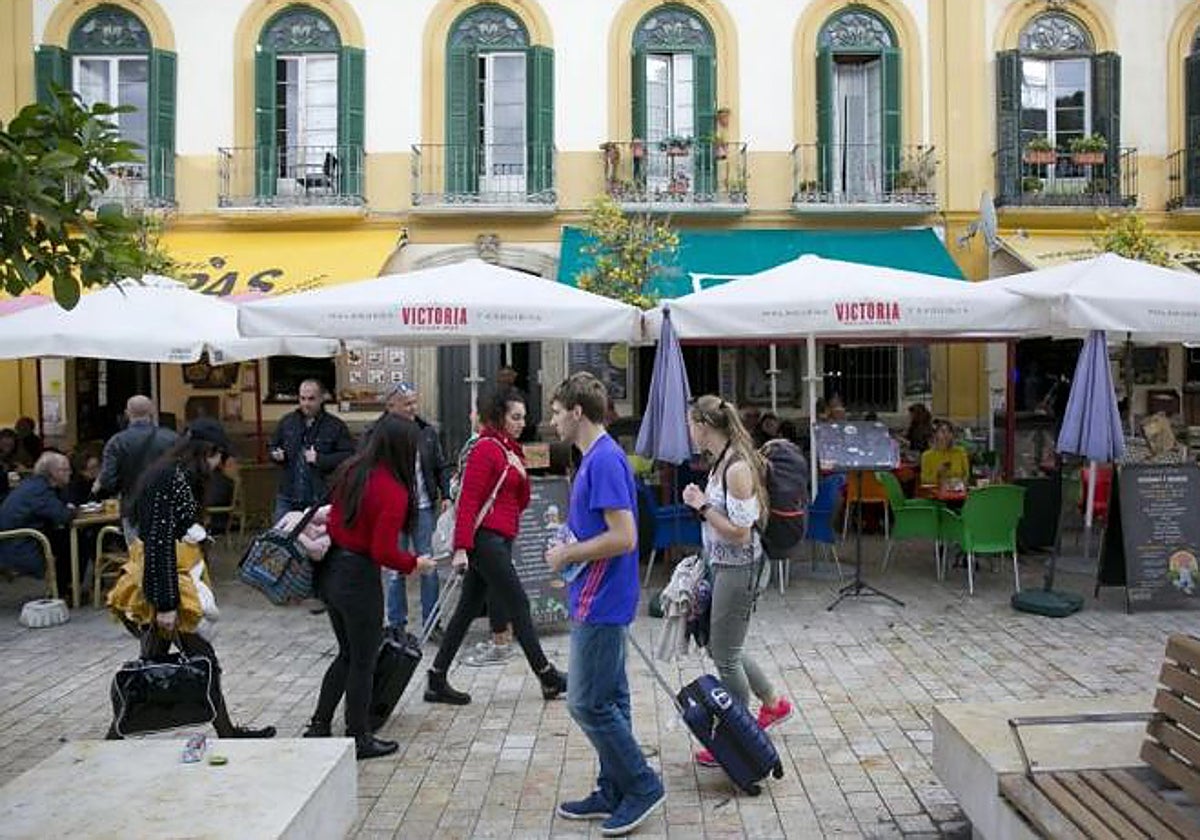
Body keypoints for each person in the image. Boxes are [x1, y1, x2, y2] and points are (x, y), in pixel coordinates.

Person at [546, 372, 666, 836]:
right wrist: (566, 546)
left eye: (557, 412)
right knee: (611, 699)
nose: (552, 420)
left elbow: (624, 536)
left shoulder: (604, 461)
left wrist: (567, 554)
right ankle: (613, 788)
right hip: (597, 595)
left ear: (578, 412)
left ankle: (641, 785)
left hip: (602, 598)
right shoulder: (596, 458)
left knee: (585, 703)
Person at [115, 418, 275, 740]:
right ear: (208, 451)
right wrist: (166, 605)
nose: (219, 466)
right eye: (219, 457)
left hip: (167, 584)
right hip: (165, 587)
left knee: (158, 663)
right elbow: (160, 544)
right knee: (197, 661)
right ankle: (118, 734)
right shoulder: (171, 479)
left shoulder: (173, 474)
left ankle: (119, 734)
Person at [303, 414, 435, 760]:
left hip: (331, 570)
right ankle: (359, 735)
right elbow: (383, 550)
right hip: (359, 576)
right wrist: (414, 564)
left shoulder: (351, 470)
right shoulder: (392, 489)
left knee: (346, 653)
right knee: (364, 660)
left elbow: (334, 518)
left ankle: (319, 724)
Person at [424, 386, 566, 706]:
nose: (521, 423)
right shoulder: (486, 448)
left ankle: (436, 676)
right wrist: (461, 547)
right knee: (519, 603)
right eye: (515, 417)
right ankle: (547, 676)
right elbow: (469, 502)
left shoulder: (510, 450)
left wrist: (521, 473)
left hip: (499, 539)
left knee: (466, 609)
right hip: (485, 541)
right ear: (499, 416)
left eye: (523, 417)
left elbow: (521, 500)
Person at [681, 395, 794, 765]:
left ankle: (738, 734)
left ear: (703, 425)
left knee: (724, 656)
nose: (688, 432)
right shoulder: (720, 463)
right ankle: (773, 704)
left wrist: (702, 506)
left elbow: (741, 532)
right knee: (725, 645)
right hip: (724, 566)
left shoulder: (736, 468)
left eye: (690, 425)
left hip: (740, 568)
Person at [367, 382, 451, 646]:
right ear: (390, 406)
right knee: (394, 569)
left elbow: (440, 466)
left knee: (428, 566)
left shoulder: (426, 432)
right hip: (391, 512)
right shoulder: (375, 434)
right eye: (407, 403)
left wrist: (446, 493)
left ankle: (432, 622)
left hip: (423, 507)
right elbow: (366, 470)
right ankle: (396, 625)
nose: (413, 407)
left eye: (415, 401)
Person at [95, 395, 178, 544]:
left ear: (127, 414)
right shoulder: (172, 439)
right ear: (152, 412)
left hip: (132, 509)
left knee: (138, 558)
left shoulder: (116, 442)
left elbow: (108, 480)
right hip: (167, 507)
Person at [269, 379, 354, 522]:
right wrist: (275, 454)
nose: (306, 404)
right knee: (281, 538)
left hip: (319, 497)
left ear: (322, 398)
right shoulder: (287, 422)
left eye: (311, 399)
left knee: (318, 541)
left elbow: (349, 455)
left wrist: (320, 459)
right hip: (288, 495)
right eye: (302, 398)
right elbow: (272, 445)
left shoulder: (335, 426)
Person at [0, 451, 74, 597]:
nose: (70, 473)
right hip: (19, 543)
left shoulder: (35, 484)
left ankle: (64, 589)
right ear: (52, 472)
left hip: (19, 538)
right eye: (65, 470)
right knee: (73, 542)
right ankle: (62, 591)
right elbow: (62, 516)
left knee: (66, 538)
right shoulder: (40, 490)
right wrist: (72, 510)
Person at [920, 420, 970, 487]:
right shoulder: (927, 455)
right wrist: (938, 474)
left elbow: (966, 474)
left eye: (949, 432)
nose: (946, 434)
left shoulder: (960, 452)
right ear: (936, 434)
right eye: (943, 431)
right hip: (936, 492)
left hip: (958, 490)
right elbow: (924, 480)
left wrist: (961, 484)